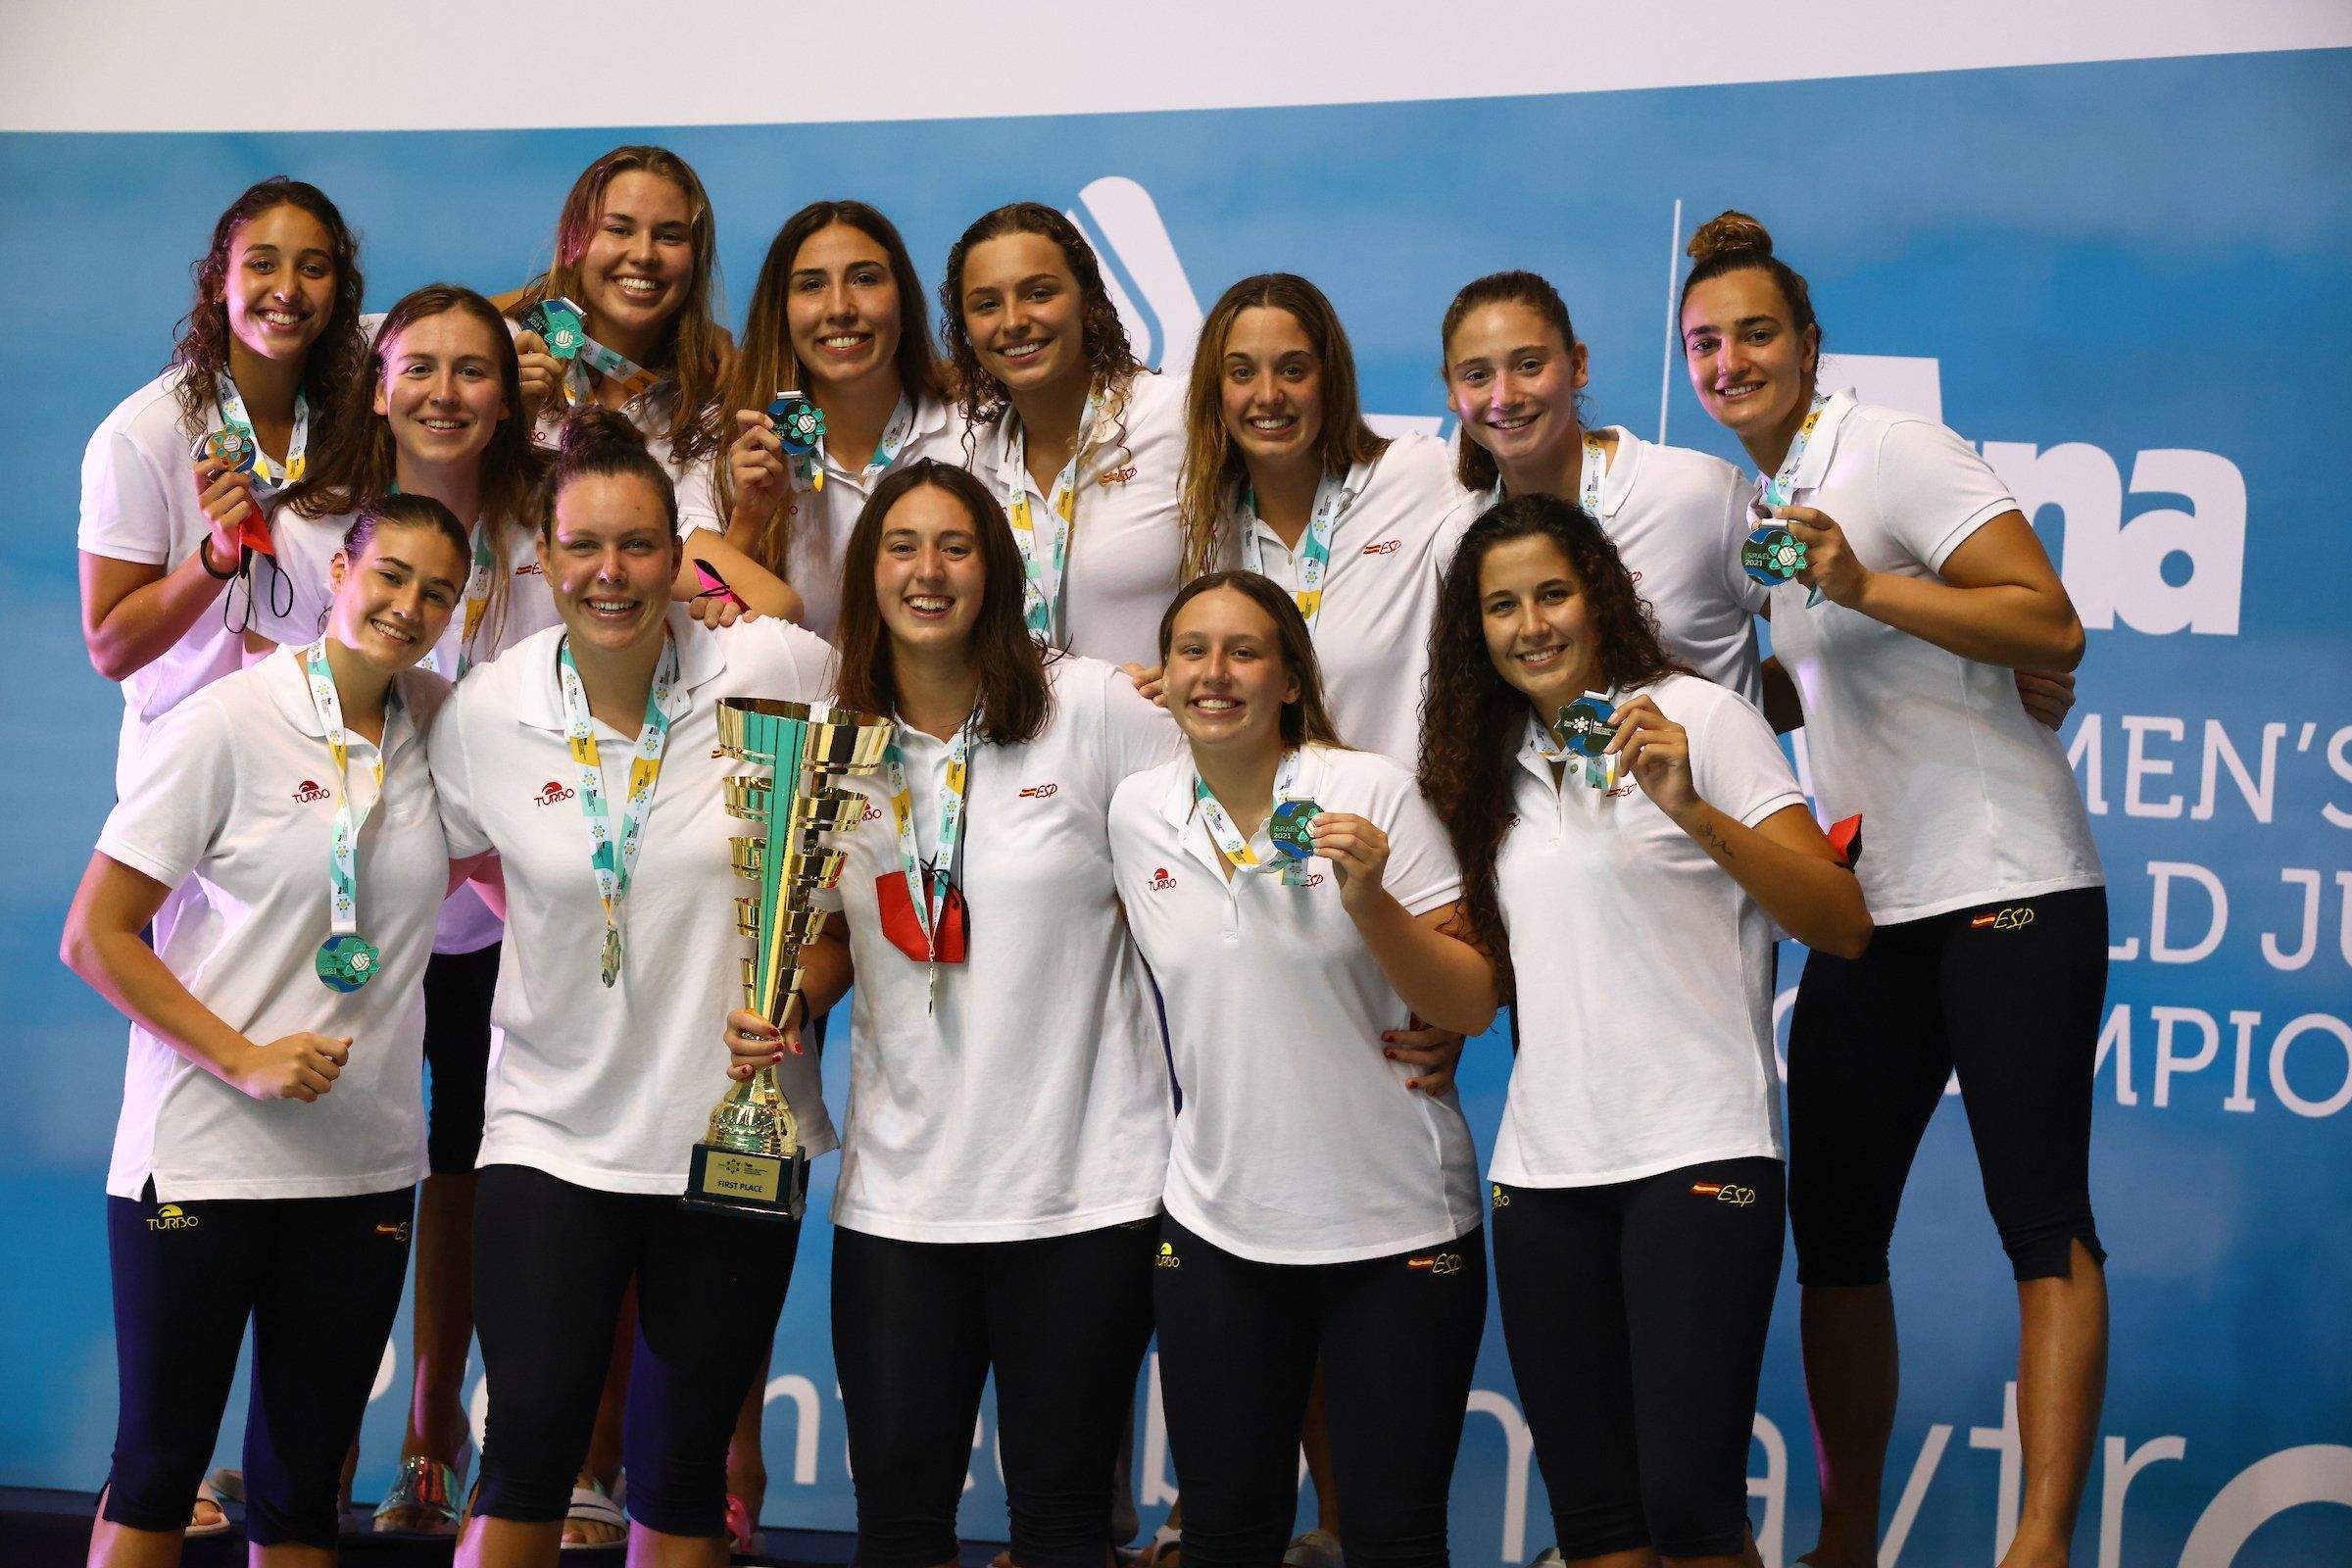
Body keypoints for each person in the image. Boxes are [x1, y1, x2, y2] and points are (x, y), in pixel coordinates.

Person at [1679, 211, 2107, 1568]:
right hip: (1876, 901)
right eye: (1706, 342)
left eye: (1756, 333)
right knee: (1837, 1231)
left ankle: (2036, 1549)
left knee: (2039, 1218)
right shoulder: (1764, 496)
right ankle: (1846, 1540)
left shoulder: (1895, 452)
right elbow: (1820, 684)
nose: (1731, 359)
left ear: (1810, 344)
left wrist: (1872, 584)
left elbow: (2052, 623)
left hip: (2008, 882)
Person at [722, 459, 1179, 1568]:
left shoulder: (1097, 710)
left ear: (998, 568)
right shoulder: (830, 745)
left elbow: (1204, 869)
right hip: (903, 1202)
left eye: (957, 546)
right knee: (902, 1528)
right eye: (901, 546)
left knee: (1065, 1526)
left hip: (1082, 1191)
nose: (929, 571)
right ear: (868, 571)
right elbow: (824, 933)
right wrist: (789, 1000)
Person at [1419, 493, 1870, 1567]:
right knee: (1601, 1526)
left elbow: (1840, 922)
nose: (1531, 624)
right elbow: (1488, 960)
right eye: (1501, 606)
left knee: (1690, 1512)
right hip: (1545, 1177)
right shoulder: (1481, 767)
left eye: (1552, 594)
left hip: (1700, 1154)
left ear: (1599, 594)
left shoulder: (1703, 718)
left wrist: (1690, 808)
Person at [436, 408, 834, 1568]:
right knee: (525, 1460)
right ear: (542, 561)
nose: (611, 574)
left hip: (736, 1133)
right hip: (553, 1133)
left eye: (641, 546)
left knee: (681, 1470)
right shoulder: (487, 712)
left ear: (682, 554)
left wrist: (800, 983)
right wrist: (588, 924)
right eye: (583, 549)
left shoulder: (774, 668)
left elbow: (846, 867)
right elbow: (462, 865)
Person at [62, 494, 475, 1567]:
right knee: (156, 1473)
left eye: (437, 590)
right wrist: (241, 1056)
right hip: (204, 1155)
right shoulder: (226, 720)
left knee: (301, 1495)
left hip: (364, 1171)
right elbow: (96, 935)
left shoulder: (441, 726)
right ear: (340, 570)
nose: (409, 604)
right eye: (390, 575)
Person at [1108, 571, 1495, 1568]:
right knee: (1227, 1535)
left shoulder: (1367, 790)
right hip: (1220, 1225)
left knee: (1389, 1536)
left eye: (1245, 651)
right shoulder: (1138, 810)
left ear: (1288, 678)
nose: (1215, 672)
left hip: (1396, 1223)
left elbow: (1469, 1003)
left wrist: (1373, 903)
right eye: (1192, 650)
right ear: (1165, 676)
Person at [265, 281, 554, 1534]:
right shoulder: (308, 525)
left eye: (475, 370)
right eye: (418, 367)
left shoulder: (554, 520)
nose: (446, 393)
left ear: (513, 392)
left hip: (501, 895)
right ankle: (301, 1453)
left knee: (470, 1162)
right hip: (353, 902)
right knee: (330, 1160)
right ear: (375, 384)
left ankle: (434, 1430)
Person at [78, 176, 370, 796]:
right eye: (262, 264)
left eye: (313, 269)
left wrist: (568, 298)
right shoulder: (144, 433)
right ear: (218, 282)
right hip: (191, 764)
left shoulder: (356, 401)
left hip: (323, 753)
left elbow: (458, 324)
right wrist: (214, 559)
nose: (287, 290)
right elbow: (109, 647)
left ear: (339, 291)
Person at [1438, 270, 1764, 708]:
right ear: (1451, 391)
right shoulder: (1459, 539)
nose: (1505, 396)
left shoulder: (1699, 495)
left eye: (1529, 365)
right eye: (1476, 375)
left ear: (1577, 365)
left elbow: (1830, 638)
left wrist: (1729, 736)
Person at [1178, 271, 1465, 765]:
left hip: (1403, 827)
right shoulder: (1208, 529)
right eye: (1242, 373)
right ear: (1215, 391)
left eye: (1293, 370)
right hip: (1274, 836)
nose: (1268, 395)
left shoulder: (1416, 475)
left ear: (1330, 379)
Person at [504, 144, 793, 631]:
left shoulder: (710, 403)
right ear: (575, 242)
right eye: (618, 229)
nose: (643, 254)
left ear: (695, 260)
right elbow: (415, 327)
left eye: (670, 236)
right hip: (497, 682)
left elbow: (713, 591)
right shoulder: (515, 356)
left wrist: (747, 519)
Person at [682, 200, 966, 641]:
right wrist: (748, 520)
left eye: (865, 279)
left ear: (904, 300)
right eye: (812, 285)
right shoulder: (722, 447)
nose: (839, 308)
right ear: (782, 311)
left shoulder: (971, 431)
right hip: (789, 709)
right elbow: (694, 600)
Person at [943, 202, 1187, 669]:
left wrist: (1194, 672)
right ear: (966, 329)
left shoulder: (1176, 417)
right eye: (987, 304)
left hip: (1163, 737)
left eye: (1038, 293)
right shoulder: (972, 463)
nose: (1013, 321)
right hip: (1025, 738)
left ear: (1088, 301)